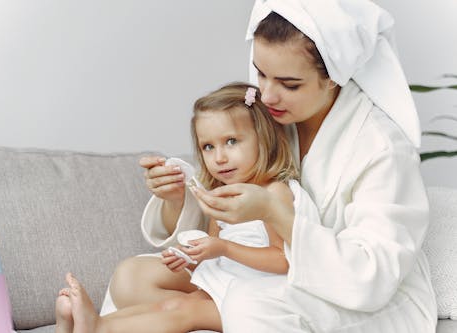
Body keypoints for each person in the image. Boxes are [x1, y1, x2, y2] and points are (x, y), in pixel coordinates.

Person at [102, 0, 438, 332]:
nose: (267, 95)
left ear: (334, 77)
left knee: (248, 305)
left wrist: (274, 212)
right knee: (133, 278)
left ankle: (196, 311)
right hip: (255, 270)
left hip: (360, 293)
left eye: (289, 84)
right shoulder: (268, 119)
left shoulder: (381, 147)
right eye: (261, 74)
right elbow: (224, 205)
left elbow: (371, 275)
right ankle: (186, 310)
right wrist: (176, 196)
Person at [55, 82, 299, 333]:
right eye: (208, 147)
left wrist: (224, 248)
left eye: (231, 141)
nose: (219, 157)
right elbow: (214, 251)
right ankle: (92, 325)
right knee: (170, 301)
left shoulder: (272, 193)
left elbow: (284, 261)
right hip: (221, 281)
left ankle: (97, 329)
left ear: (266, 139)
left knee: (182, 308)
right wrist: (190, 256)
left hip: (256, 293)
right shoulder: (220, 195)